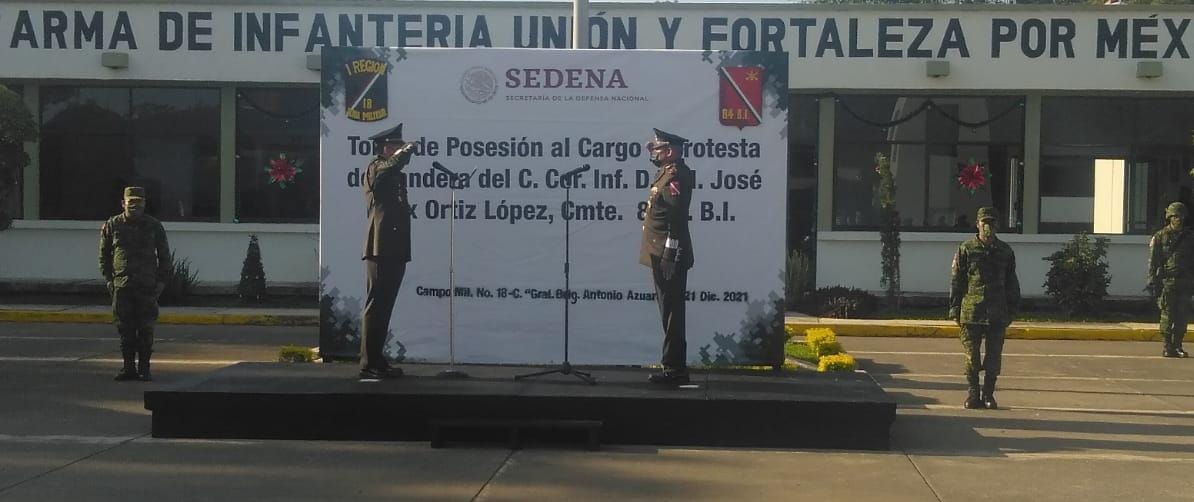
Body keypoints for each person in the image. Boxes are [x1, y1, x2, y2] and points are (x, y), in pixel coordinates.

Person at [360, 123, 416, 382]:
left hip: (395, 246)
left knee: (385, 307)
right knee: (376, 305)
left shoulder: (393, 172)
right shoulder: (377, 167)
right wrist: (404, 152)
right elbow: (387, 171)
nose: (400, 150)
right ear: (385, 148)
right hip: (380, 246)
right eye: (395, 146)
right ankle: (368, 363)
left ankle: (377, 359)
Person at [639, 128, 696, 386]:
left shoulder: (676, 176)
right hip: (659, 251)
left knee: (672, 313)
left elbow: (676, 218)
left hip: (667, 255)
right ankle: (673, 366)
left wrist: (669, 255)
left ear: (670, 151)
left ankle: (674, 369)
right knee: (668, 311)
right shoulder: (667, 171)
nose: (654, 152)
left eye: (658, 148)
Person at [949, 207, 1020, 409]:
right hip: (971, 311)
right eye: (984, 222)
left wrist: (1012, 310)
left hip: (997, 312)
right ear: (977, 224)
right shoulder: (966, 248)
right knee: (971, 357)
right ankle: (973, 393)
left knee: (993, 357)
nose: (987, 226)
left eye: (991, 222)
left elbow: (1012, 282)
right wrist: (954, 309)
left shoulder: (1005, 251)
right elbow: (957, 280)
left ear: (997, 225)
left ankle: (988, 394)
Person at [99, 186, 169, 382]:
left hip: (147, 287)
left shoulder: (154, 226)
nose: (135, 206)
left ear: (145, 204)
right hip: (122, 287)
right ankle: (128, 368)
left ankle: (144, 368)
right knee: (125, 330)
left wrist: (161, 283)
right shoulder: (112, 225)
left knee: (146, 331)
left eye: (139, 202)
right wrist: (109, 281)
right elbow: (104, 256)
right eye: (131, 202)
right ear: (123, 203)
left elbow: (164, 257)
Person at [1147, 202, 1193, 358]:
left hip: (1185, 282)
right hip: (1167, 282)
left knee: (1182, 316)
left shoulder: (1190, 237)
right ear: (1170, 217)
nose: (1178, 219)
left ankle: (1178, 345)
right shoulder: (1160, 236)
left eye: (1181, 216)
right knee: (1167, 315)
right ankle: (1167, 346)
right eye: (1175, 216)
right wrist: (1152, 280)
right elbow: (1153, 261)